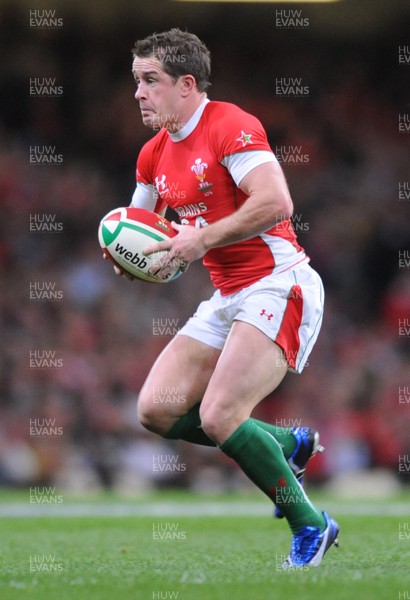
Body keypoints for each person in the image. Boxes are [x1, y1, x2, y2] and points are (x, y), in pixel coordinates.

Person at [119, 27, 339, 568]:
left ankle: (311, 525)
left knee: (220, 414)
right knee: (156, 410)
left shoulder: (230, 126)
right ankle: (287, 445)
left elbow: (276, 202)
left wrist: (199, 239)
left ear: (186, 84)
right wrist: (132, 259)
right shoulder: (153, 154)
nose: (139, 94)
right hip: (227, 294)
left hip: (279, 283)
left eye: (150, 81)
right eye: (136, 82)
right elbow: (138, 226)